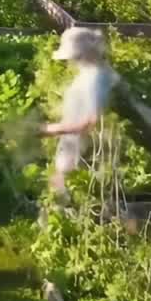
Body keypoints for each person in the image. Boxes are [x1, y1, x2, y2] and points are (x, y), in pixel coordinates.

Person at [40, 27, 120, 196]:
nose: (71, 61)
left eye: (74, 57)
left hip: (81, 148)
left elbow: (92, 121)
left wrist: (50, 129)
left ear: (83, 55)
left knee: (70, 191)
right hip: (73, 144)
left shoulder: (96, 79)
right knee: (61, 187)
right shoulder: (94, 72)